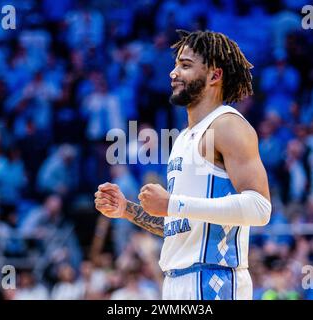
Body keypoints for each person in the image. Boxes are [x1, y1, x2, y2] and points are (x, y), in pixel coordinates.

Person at [94, 29, 271, 300]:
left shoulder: (227, 125)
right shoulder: (182, 139)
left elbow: (260, 208)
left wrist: (173, 204)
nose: (173, 73)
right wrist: (126, 210)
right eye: (175, 64)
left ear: (215, 75)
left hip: (215, 280)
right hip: (176, 280)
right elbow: (178, 224)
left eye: (185, 65)